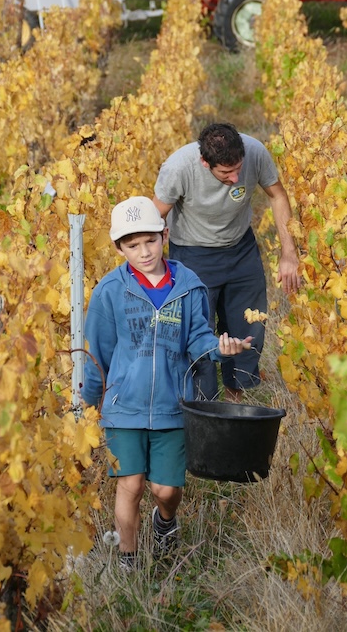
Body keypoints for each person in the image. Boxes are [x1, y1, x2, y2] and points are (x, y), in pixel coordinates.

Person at [81, 196, 252, 571]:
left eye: (150, 241)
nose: (144, 252)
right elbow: (98, 353)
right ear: (119, 248)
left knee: (166, 490)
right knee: (131, 485)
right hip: (123, 407)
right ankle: (128, 560)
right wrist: (89, 401)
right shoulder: (109, 292)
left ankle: (165, 521)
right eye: (132, 245)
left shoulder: (189, 286)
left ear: (165, 235)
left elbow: (198, 340)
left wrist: (222, 349)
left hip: (173, 406)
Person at [153, 122, 300, 403]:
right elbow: (155, 215)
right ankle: (203, 409)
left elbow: (278, 195)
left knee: (248, 328)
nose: (235, 178)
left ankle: (235, 406)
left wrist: (288, 253)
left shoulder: (255, 152)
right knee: (197, 333)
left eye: (238, 169)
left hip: (240, 251)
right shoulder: (178, 168)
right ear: (205, 163)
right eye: (225, 172)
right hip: (192, 255)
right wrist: (157, 267)